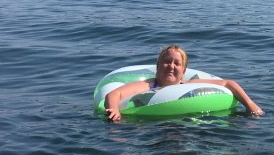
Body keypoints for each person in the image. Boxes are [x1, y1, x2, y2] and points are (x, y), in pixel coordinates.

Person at [105, 45, 264, 121]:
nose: (171, 66)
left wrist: (250, 105)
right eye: (166, 62)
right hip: (153, 128)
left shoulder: (188, 85)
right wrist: (114, 110)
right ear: (158, 65)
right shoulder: (148, 85)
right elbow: (114, 94)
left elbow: (228, 83)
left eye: (177, 63)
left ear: (183, 70)